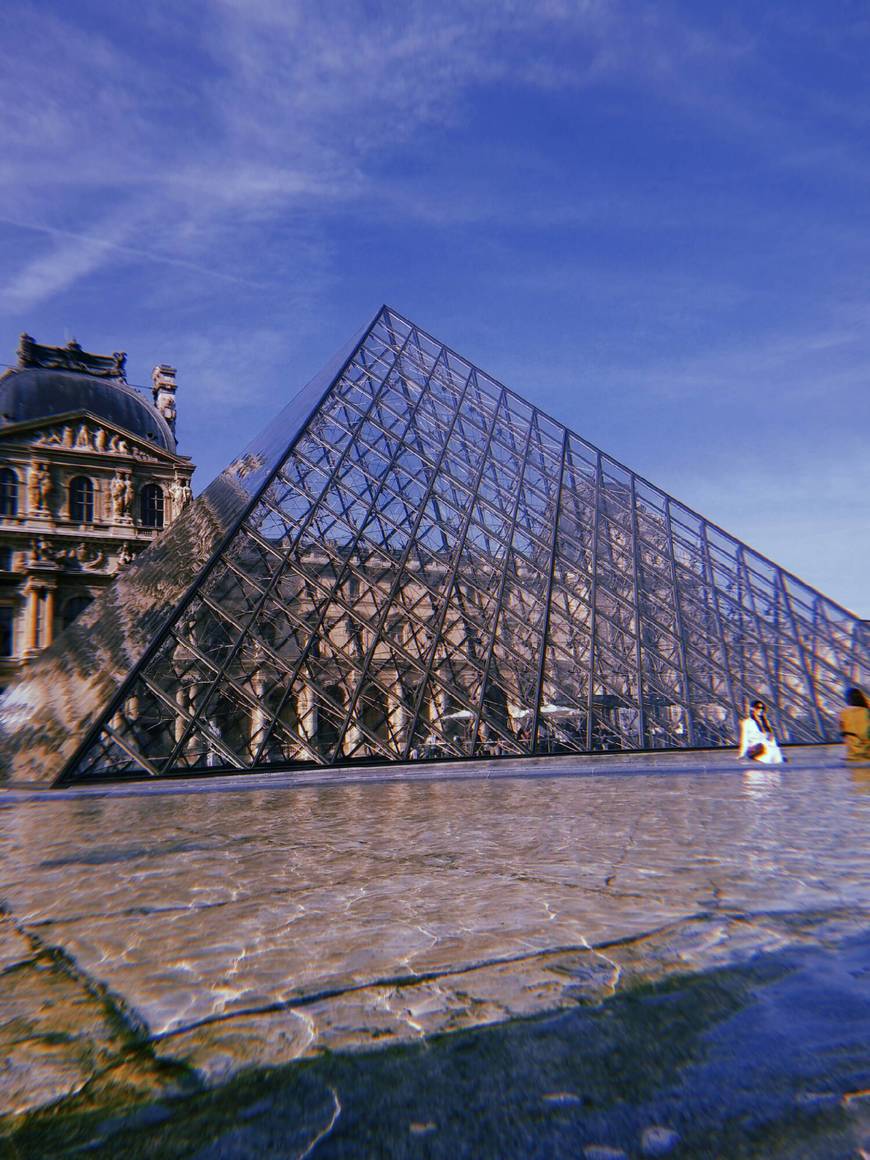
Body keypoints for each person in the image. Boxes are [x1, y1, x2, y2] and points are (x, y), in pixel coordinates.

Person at [840, 688, 870, 763]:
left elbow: (842, 726)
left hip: (854, 738)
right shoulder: (867, 709)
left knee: (847, 733)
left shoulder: (845, 712)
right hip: (867, 736)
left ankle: (854, 753)